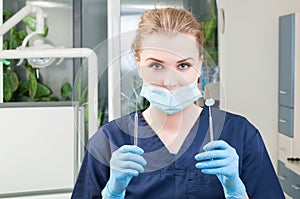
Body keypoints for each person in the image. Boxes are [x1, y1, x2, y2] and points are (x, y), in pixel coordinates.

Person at [71, 7, 284, 199]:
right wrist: (112, 193)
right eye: (156, 65)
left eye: (183, 65)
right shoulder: (109, 140)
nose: (170, 81)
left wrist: (236, 191)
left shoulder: (240, 134)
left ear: (200, 63)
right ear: (138, 63)